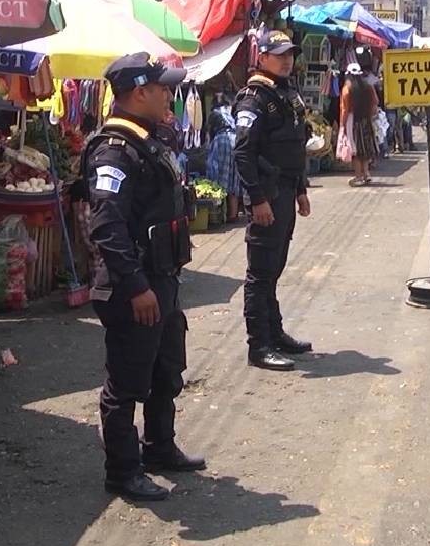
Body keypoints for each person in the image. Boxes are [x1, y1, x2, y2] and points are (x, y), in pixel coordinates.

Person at [83, 53, 205, 502]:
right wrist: (136, 287)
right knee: (127, 382)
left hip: (162, 278)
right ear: (139, 93)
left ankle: (159, 448)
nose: (170, 95)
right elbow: (106, 226)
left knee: (165, 370)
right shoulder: (114, 150)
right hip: (132, 286)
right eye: (163, 88)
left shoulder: (146, 141)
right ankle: (122, 470)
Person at [234, 28, 313, 372]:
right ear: (262, 57)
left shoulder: (286, 93)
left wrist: (301, 189)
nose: (286, 61)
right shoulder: (254, 98)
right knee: (260, 272)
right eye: (279, 55)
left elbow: (294, 145)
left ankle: (275, 333)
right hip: (266, 194)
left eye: (290, 54)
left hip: (285, 189)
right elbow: (243, 153)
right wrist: (257, 198)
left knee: (274, 268)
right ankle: (259, 345)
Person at [340, 63, 379, 186]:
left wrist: (343, 124)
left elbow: (345, 110)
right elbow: (375, 102)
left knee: (355, 150)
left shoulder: (347, 89)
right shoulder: (368, 87)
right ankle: (366, 174)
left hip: (353, 121)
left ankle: (358, 177)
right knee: (366, 149)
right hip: (366, 120)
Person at [205, 94, 241, 223]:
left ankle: (219, 214)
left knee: (219, 177)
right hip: (235, 141)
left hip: (222, 141)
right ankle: (233, 214)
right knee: (233, 178)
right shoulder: (231, 111)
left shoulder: (214, 114)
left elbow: (210, 132)